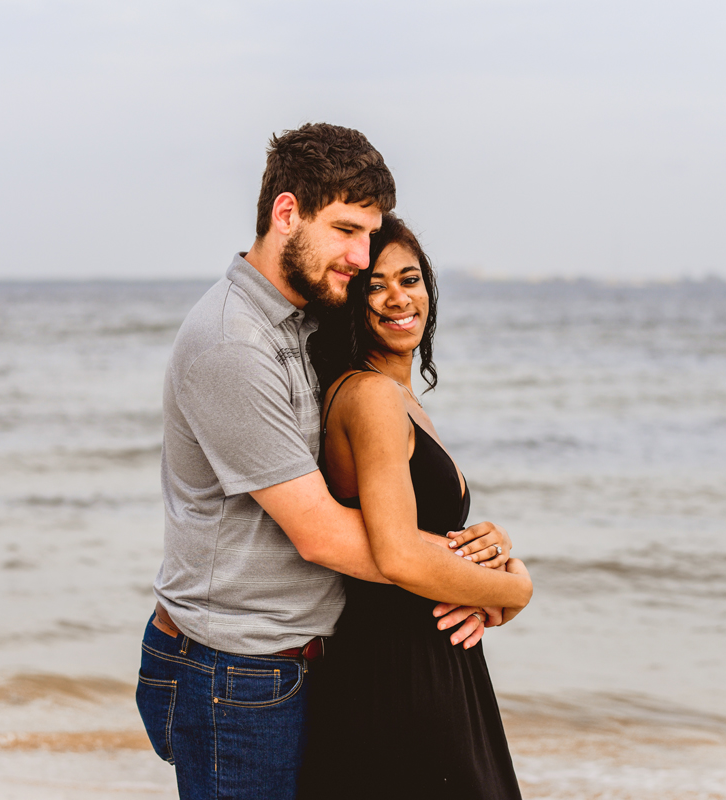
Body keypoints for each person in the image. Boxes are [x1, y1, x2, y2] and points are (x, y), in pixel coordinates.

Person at [134, 123, 515, 800]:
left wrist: (474, 555)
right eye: (346, 230)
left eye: (369, 235)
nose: (360, 255)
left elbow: (374, 493)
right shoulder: (233, 345)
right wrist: (497, 586)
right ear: (287, 214)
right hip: (237, 673)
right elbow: (324, 532)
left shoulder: (305, 320)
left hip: (306, 660)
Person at [300, 215, 532, 799]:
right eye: (375, 284)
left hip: (426, 662)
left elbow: (420, 533)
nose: (399, 298)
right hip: (400, 674)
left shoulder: (394, 395)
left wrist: (487, 553)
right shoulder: (371, 395)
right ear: (350, 299)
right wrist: (515, 589)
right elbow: (398, 555)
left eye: (411, 278)